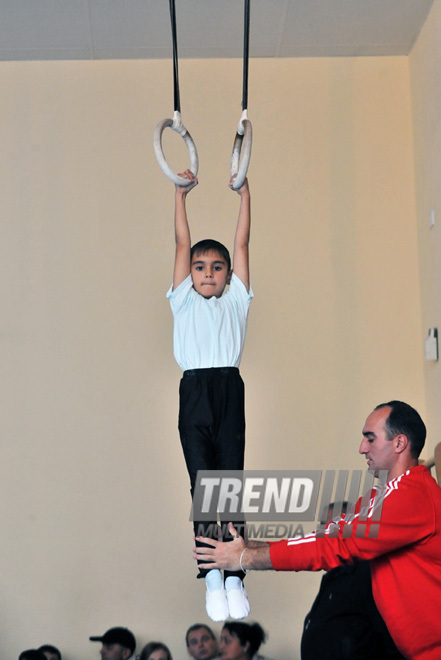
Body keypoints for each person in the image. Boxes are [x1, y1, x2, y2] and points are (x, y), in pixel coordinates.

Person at [194, 401, 441, 660]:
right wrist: (250, 546)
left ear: (399, 443)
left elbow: (333, 547)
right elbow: (324, 537)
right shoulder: (380, 498)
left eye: (370, 438)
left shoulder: (411, 496)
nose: (362, 448)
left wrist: (244, 558)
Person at [167, 169, 252, 622]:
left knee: (229, 483)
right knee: (205, 486)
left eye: (216, 268)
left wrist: (244, 194)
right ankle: (212, 576)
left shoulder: (237, 300)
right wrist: (180, 197)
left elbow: (242, 246)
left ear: (227, 277)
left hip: (228, 390)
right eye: (200, 267)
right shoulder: (182, 300)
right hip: (195, 392)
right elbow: (183, 244)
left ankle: (235, 573)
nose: (207, 273)